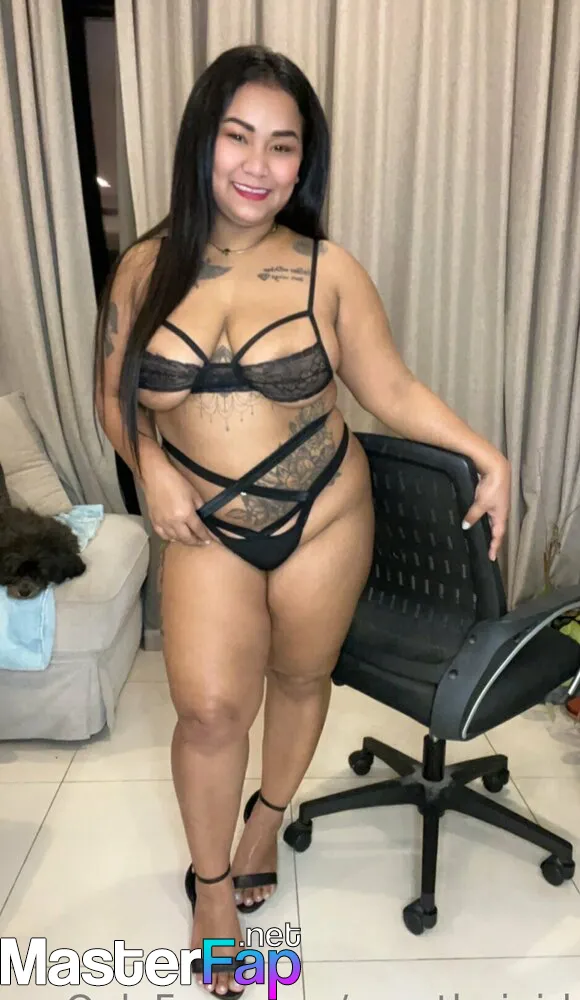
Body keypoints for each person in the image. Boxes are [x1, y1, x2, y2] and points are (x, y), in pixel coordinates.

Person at [94, 44, 511, 997]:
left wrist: (485, 453)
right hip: (205, 525)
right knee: (208, 711)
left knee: (299, 676)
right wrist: (150, 469)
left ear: (303, 163)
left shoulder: (328, 269)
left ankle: (266, 820)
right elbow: (114, 395)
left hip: (325, 514)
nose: (257, 164)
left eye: (282, 146)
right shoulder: (145, 267)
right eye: (237, 136)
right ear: (202, 142)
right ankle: (210, 890)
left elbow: (391, 388)